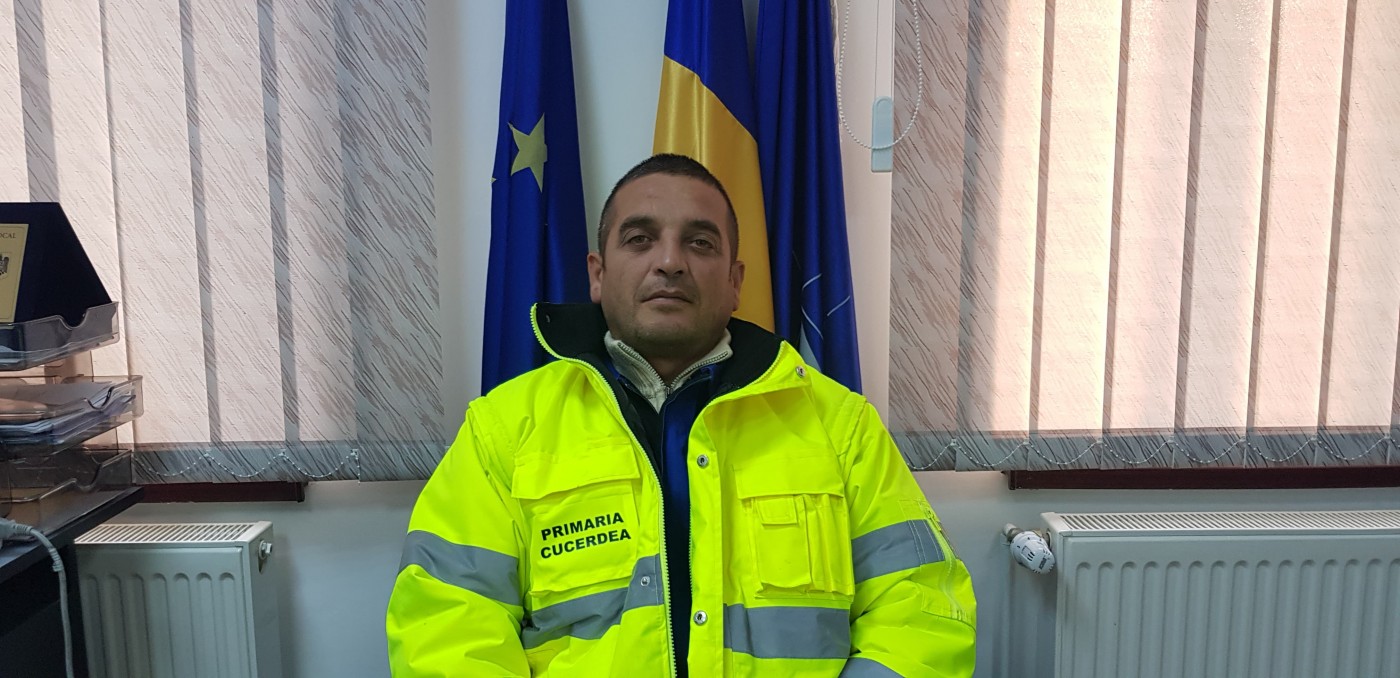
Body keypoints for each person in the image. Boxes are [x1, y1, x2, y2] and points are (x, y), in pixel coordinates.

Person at [386, 154, 976, 676]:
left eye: (700, 243)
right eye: (640, 239)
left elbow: (923, 612)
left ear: (736, 281)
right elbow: (447, 626)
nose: (670, 261)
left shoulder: (840, 427)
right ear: (597, 274)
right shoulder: (505, 429)